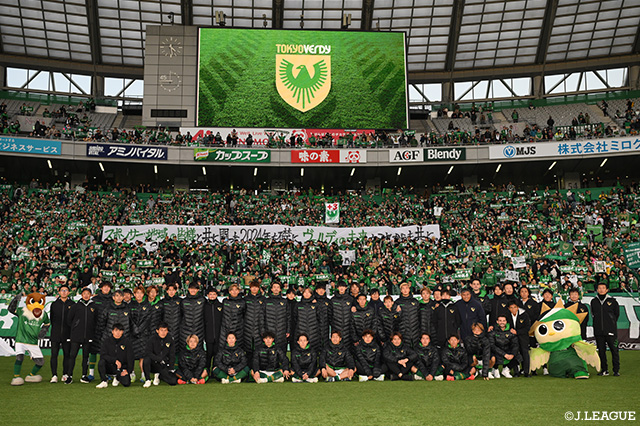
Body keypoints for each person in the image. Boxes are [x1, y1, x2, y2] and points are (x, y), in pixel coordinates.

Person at [9, 293, 49, 386]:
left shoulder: (44, 314)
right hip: (21, 339)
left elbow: (47, 323)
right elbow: (11, 309)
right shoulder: (22, 310)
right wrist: (15, 300)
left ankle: (31, 376)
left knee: (40, 362)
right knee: (19, 357)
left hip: (33, 341)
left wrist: (44, 330)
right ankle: (16, 376)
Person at [591, 283, 620, 376]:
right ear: (597, 289)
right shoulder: (594, 301)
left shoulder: (613, 301)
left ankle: (616, 370)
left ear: (607, 290)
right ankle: (604, 370)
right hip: (599, 331)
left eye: (603, 288)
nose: (601, 290)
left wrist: (610, 324)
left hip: (611, 331)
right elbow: (593, 314)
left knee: (614, 351)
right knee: (601, 352)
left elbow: (616, 314)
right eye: (599, 288)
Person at [68, 287, 96, 384]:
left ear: (91, 295)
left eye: (88, 293)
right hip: (76, 335)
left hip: (88, 336)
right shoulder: (76, 306)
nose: (86, 295)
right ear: (81, 295)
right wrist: (75, 328)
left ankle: (84, 375)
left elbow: (96, 321)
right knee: (72, 355)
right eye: (84, 293)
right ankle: (69, 376)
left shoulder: (94, 306)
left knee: (85, 356)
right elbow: (69, 319)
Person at [49, 284, 74, 383]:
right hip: (55, 333)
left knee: (67, 355)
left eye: (66, 290)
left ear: (69, 292)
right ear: (59, 292)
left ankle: (65, 374)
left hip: (67, 334)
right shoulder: (54, 304)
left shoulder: (72, 304)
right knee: (54, 355)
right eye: (62, 290)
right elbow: (52, 318)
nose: (64, 292)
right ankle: (54, 375)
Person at [96, 323, 133, 388]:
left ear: (122, 332)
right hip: (110, 366)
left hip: (121, 368)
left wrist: (128, 370)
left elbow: (130, 357)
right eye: (116, 330)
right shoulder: (106, 341)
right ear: (112, 331)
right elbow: (103, 355)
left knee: (126, 383)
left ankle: (117, 378)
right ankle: (104, 381)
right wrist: (114, 360)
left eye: (120, 330)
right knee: (101, 362)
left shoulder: (127, 342)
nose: (118, 332)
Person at [88, 281, 112, 381]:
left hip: (108, 330)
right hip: (96, 329)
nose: (106, 289)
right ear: (101, 288)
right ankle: (91, 373)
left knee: (108, 353)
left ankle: (108, 373)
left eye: (108, 287)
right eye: (104, 287)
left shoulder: (113, 299)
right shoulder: (94, 299)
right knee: (93, 351)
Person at [142, 322, 178, 387]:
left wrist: (171, 368)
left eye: (165, 330)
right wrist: (158, 359)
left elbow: (172, 354)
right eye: (161, 330)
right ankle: (148, 380)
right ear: (157, 331)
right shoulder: (151, 339)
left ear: (167, 331)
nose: (163, 332)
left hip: (163, 364)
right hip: (153, 363)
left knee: (173, 382)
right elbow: (148, 352)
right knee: (146, 360)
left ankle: (159, 376)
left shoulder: (170, 340)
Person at [130, 285, 152, 382]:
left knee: (142, 356)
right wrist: (134, 329)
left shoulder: (147, 305)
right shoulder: (130, 305)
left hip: (144, 334)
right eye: (137, 293)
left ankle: (143, 374)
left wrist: (139, 329)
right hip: (132, 334)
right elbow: (129, 319)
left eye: (141, 293)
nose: (139, 295)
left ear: (143, 294)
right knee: (131, 355)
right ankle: (132, 373)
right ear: (134, 294)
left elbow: (147, 320)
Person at [264, 282, 291, 353]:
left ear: (280, 290)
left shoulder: (284, 301)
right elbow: (262, 317)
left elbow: (288, 317)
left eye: (278, 287)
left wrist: (288, 330)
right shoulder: (266, 301)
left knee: (282, 353)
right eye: (274, 287)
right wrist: (263, 331)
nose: (276, 289)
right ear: (272, 289)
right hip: (269, 331)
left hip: (281, 331)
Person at [506, 301, 531, 377]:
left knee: (525, 354)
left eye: (515, 307)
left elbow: (527, 327)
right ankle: (516, 372)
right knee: (514, 353)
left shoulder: (524, 315)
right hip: (512, 338)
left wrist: (517, 332)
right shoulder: (507, 316)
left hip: (523, 337)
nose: (513, 309)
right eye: (511, 307)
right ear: (508, 308)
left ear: (518, 308)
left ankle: (526, 372)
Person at [180, 282, 205, 353]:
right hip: (186, 330)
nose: (193, 290)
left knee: (198, 351)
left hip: (199, 329)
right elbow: (181, 315)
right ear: (188, 289)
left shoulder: (202, 300)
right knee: (186, 350)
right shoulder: (184, 301)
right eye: (191, 289)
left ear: (198, 290)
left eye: (195, 289)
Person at [393, 282, 421, 348]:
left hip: (415, 332)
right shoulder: (397, 302)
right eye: (403, 288)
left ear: (409, 289)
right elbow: (395, 319)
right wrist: (398, 313)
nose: (405, 290)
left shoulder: (415, 301)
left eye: (407, 288)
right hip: (404, 332)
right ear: (401, 290)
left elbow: (419, 316)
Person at [244, 281, 265, 360]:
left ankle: (257, 368)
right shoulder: (245, 299)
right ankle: (249, 367)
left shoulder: (263, 299)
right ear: (250, 288)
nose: (254, 288)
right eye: (253, 287)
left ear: (258, 288)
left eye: (256, 287)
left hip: (259, 327)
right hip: (247, 327)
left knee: (258, 350)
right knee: (248, 349)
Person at [219, 284, 245, 349]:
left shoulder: (242, 302)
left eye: (236, 290)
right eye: (232, 290)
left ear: (239, 291)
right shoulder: (225, 301)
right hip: (225, 329)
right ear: (229, 292)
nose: (234, 291)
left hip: (238, 330)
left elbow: (244, 315)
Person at [204, 287, 223, 373]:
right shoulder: (205, 306)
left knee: (217, 354)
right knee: (208, 354)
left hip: (218, 335)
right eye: (210, 294)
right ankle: (207, 370)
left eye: (214, 294)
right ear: (207, 295)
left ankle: (215, 371)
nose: (212, 296)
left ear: (216, 295)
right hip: (208, 335)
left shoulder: (220, 306)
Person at [329, 281, 354, 347]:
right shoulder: (333, 300)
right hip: (336, 327)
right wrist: (333, 323)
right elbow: (330, 313)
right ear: (337, 288)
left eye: (343, 286)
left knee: (347, 346)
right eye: (340, 287)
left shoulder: (350, 299)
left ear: (346, 288)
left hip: (348, 327)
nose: (341, 288)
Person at [161, 283, 182, 349]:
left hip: (177, 328)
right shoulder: (162, 302)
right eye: (169, 290)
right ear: (167, 291)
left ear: (176, 291)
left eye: (173, 290)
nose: (171, 292)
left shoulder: (180, 301)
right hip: (166, 328)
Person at [314, 284, 331, 350]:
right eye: (319, 289)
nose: (321, 291)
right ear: (316, 290)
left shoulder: (328, 301)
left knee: (325, 343)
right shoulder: (313, 300)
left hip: (325, 325)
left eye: (323, 289)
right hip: (315, 326)